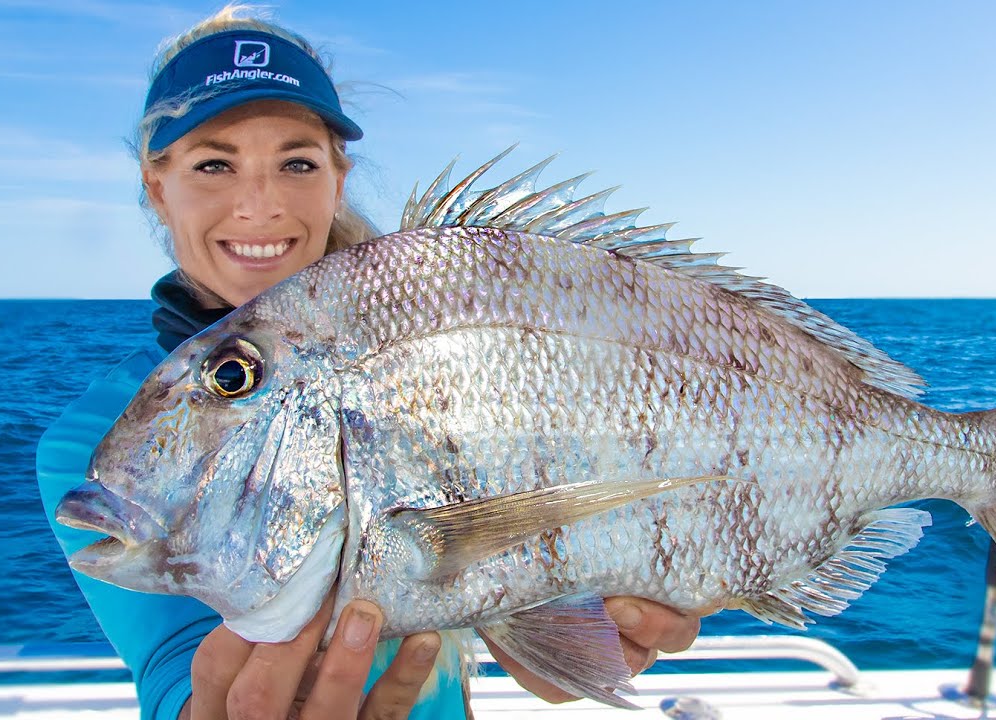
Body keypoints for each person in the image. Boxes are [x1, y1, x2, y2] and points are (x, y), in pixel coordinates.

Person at [36, 6, 702, 719]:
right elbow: (174, 670)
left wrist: (582, 629)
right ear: (156, 186)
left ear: (337, 177)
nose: (258, 206)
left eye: (296, 162)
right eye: (213, 164)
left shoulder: (437, 317)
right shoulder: (89, 444)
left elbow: (528, 606)